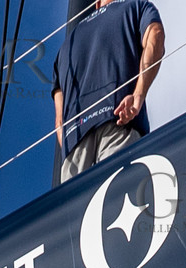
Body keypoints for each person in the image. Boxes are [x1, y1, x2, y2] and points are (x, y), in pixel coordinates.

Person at [54, 0, 164, 181]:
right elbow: (155, 34)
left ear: (97, 4)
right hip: (119, 118)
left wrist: (70, 143)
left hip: (75, 144)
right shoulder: (137, 7)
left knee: (78, 199)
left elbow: (59, 121)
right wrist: (138, 95)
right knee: (119, 192)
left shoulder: (65, 48)